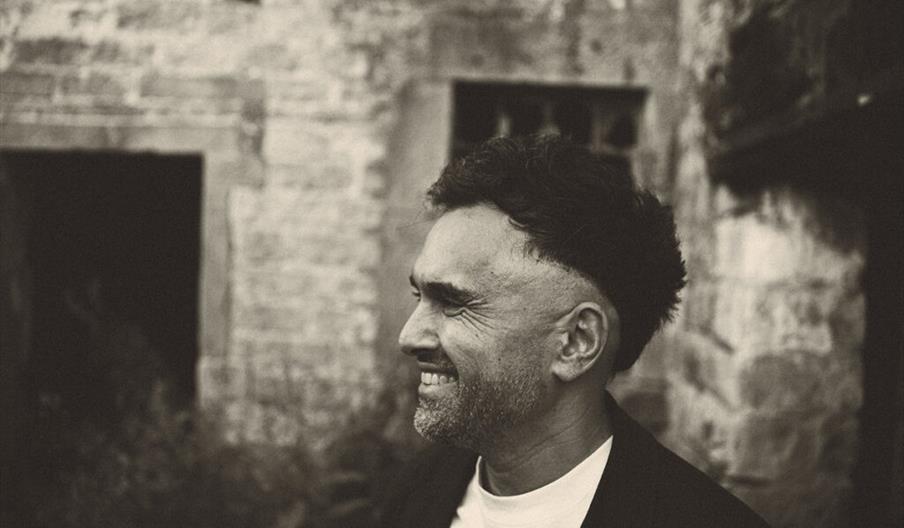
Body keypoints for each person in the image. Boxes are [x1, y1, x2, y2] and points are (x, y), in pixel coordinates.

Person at [379, 135, 769, 527]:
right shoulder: (421, 487)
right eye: (419, 297)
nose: (409, 337)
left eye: (453, 303)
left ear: (576, 342)